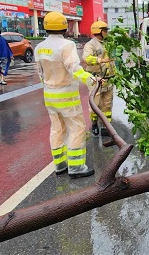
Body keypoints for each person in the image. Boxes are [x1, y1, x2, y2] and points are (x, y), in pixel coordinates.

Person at [34, 11, 98, 178]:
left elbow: (40, 73)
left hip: (49, 96)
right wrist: (92, 79)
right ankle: (76, 167)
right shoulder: (66, 45)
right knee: (77, 128)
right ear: (64, 27)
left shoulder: (39, 48)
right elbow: (74, 69)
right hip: (66, 96)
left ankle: (60, 165)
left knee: (57, 129)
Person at [82, 21, 115, 137]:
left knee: (107, 103)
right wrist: (100, 60)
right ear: (98, 31)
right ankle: (94, 124)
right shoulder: (91, 45)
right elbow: (86, 58)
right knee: (95, 103)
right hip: (95, 78)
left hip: (108, 78)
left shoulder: (108, 43)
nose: (107, 32)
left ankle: (106, 127)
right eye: (105, 30)